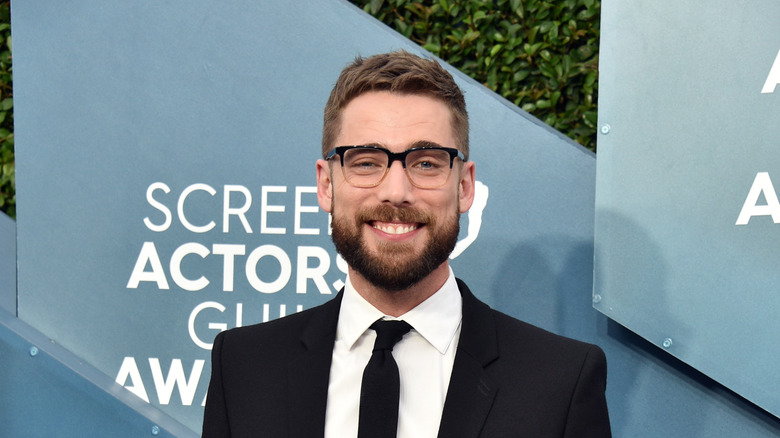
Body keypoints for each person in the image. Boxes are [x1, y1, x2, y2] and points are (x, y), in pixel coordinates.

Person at [202, 50, 611, 437]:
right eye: (365, 163)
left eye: (426, 163)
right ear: (326, 184)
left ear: (465, 185)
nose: (396, 192)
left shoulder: (560, 382)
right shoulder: (243, 366)